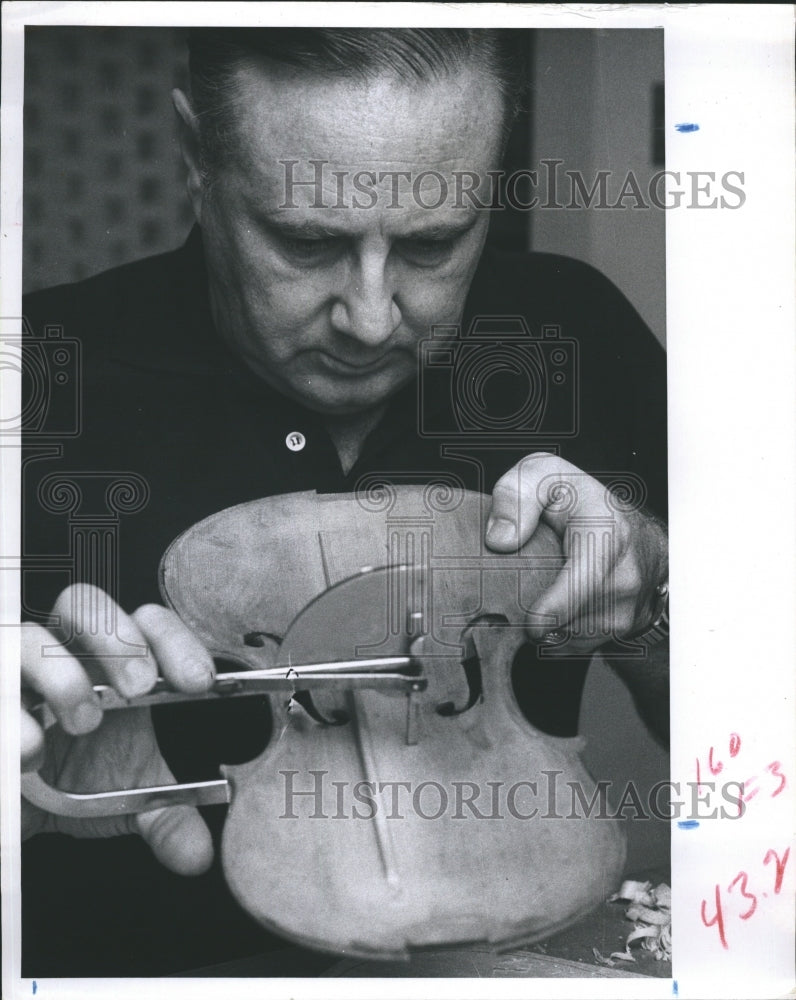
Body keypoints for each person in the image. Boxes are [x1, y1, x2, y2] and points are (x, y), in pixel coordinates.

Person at [20, 28, 668, 976]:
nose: (371, 317)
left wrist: (654, 602)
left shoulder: (573, 325)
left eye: (436, 242)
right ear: (198, 153)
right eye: (306, 241)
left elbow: (739, 734)